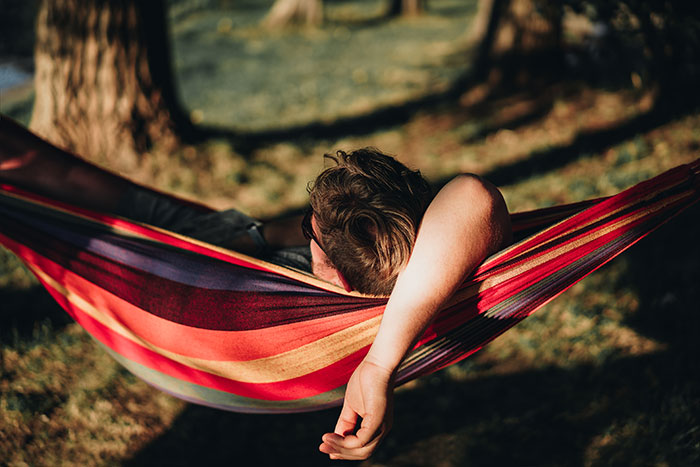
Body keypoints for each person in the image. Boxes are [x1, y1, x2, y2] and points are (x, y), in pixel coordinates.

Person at [0, 115, 512, 460]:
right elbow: (474, 195)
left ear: (330, 271)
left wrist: (377, 362)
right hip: (231, 246)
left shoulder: (277, 308)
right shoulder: (437, 264)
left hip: (203, 261)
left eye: (310, 229)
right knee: (65, 179)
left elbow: (472, 194)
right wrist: (380, 363)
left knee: (66, 184)